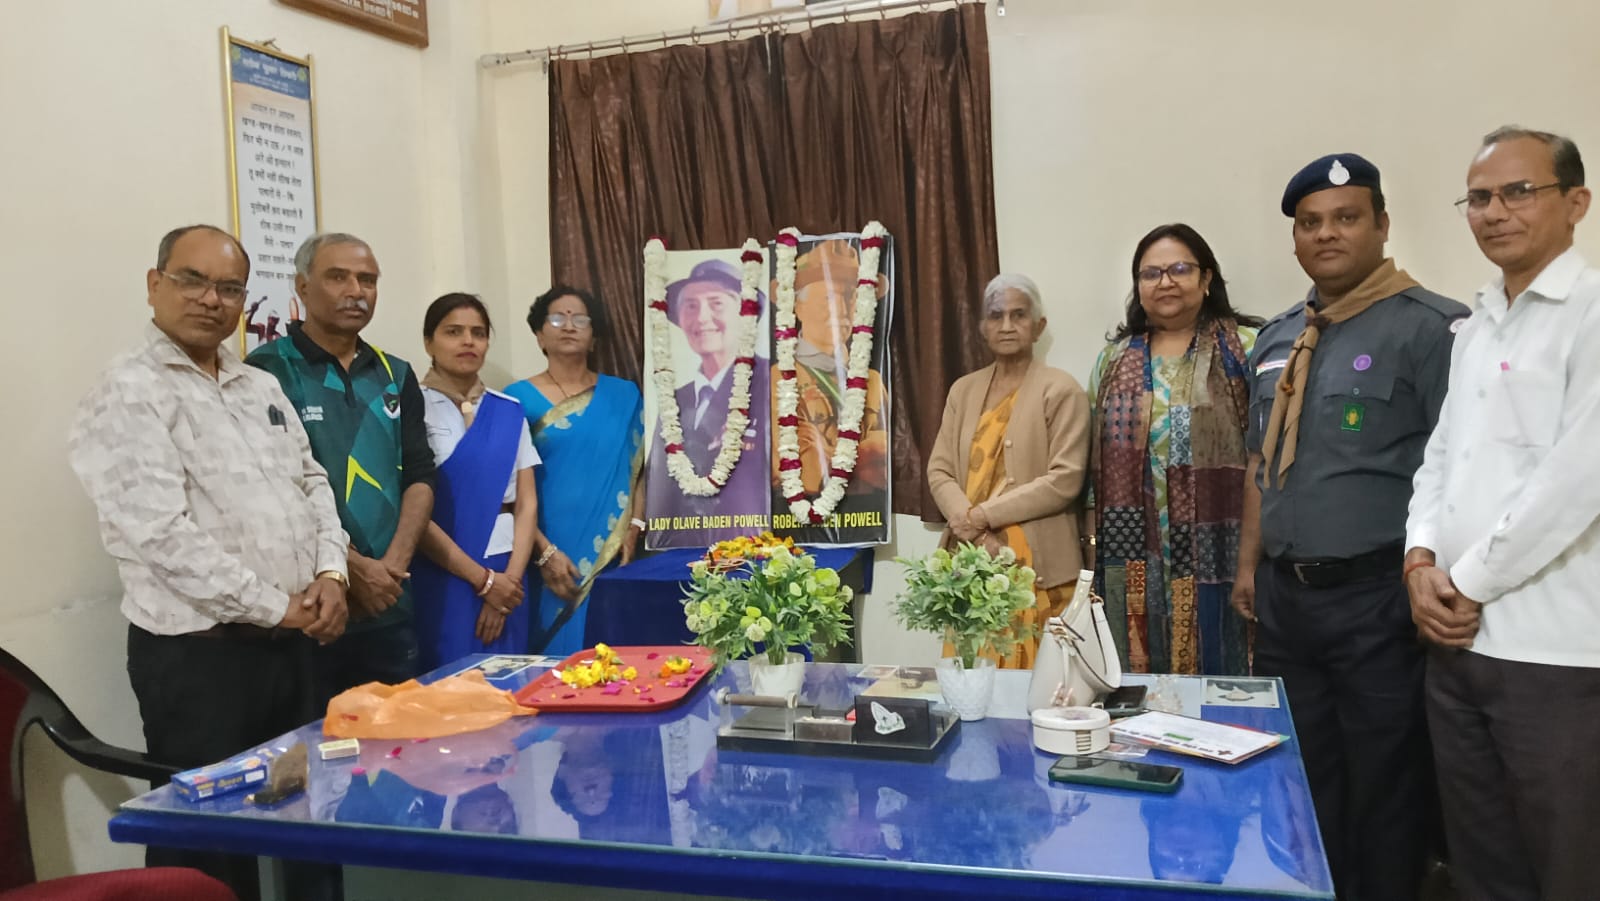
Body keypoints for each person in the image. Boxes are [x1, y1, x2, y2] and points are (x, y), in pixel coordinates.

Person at [68, 224, 347, 899]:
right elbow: (160, 535)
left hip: (290, 649)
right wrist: (277, 606)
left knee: (308, 820)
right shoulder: (129, 390)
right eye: (192, 280)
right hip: (201, 661)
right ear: (154, 283)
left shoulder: (259, 386)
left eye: (229, 288)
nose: (211, 299)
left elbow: (312, 483)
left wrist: (332, 574)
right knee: (206, 849)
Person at [1241, 153, 1467, 900]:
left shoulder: (1433, 329)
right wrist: (1248, 569)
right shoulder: (1277, 338)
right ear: (1295, 239)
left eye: (1346, 217)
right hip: (1286, 600)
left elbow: (1462, 468)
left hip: (1377, 597)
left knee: (1385, 781)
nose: (1327, 234)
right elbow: (1260, 464)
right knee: (1301, 777)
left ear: (1382, 225)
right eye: (1311, 223)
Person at [1407, 126, 1600, 901]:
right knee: (1482, 866)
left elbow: (1576, 481)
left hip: (1554, 654)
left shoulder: (1589, 311)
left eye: (1519, 191)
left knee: (1568, 866)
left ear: (1576, 202)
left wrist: (1466, 581)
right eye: (1479, 197)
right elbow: (1441, 455)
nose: (1494, 212)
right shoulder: (1479, 321)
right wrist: (1419, 559)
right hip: (1456, 646)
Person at [248, 232, 436, 703]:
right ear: (302, 286)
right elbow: (271, 488)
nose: (356, 291)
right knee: (317, 743)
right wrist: (352, 569)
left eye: (367, 280)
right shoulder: (266, 370)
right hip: (313, 610)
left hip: (390, 604)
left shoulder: (395, 373)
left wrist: (390, 569)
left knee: (397, 739)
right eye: (338, 277)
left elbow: (419, 474)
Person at [1086, 223, 1263, 675]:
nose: (1165, 281)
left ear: (1207, 279)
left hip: (1223, 548)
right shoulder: (1113, 361)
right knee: (1138, 671)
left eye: (1179, 269)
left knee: (1225, 667)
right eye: (1151, 273)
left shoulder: (1246, 349)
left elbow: (1267, 455)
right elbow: (1092, 468)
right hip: (1134, 549)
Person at [926, 273, 1090, 668]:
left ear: (1039, 326)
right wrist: (974, 530)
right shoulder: (963, 390)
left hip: (1038, 567)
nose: (1006, 325)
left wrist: (981, 517)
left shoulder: (1061, 390)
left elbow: (1065, 480)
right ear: (982, 327)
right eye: (996, 316)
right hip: (971, 561)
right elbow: (939, 470)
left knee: (1040, 682)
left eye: (1019, 315)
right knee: (972, 678)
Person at [503, 286, 644, 656]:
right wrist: (544, 553)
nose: (568, 326)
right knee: (553, 662)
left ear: (594, 337)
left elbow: (638, 470)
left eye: (580, 319)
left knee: (611, 660)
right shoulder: (514, 399)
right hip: (544, 549)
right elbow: (505, 489)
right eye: (557, 319)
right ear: (539, 335)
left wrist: (634, 527)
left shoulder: (624, 396)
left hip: (613, 553)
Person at [411, 293, 539, 672]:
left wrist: (507, 584)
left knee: (510, 683)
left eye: (478, 333)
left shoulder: (509, 410)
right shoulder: (410, 407)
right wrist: (483, 583)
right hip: (443, 568)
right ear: (428, 342)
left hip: (509, 571)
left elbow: (527, 503)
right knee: (449, 686)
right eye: (453, 332)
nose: (468, 342)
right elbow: (412, 509)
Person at [644, 259, 771, 548]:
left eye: (716, 304)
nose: (702, 318)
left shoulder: (771, 384)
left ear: (745, 315)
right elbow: (661, 487)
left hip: (756, 552)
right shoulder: (675, 400)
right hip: (683, 552)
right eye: (690, 306)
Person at [777, 238, 890, 503]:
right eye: (829, 298)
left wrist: (832, 452)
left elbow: (886, 464)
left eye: (849, 297)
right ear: (798, 307)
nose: (841, 310)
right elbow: (804, 471)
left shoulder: (872, 381)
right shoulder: (779, 380)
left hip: (866, 512)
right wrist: (866, 454)